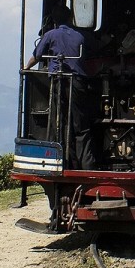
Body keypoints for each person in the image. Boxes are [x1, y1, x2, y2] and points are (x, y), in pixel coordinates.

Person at [23, 10, 99, 170]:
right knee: (81, 125)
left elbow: (36, 56)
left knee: (60, 122)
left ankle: (63, 162)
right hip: (77, 82)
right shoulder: (80, 36)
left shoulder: (50, 35)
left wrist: (25, 68)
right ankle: (86, 165)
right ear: (72, 18)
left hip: (58, 82)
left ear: (55, 22)